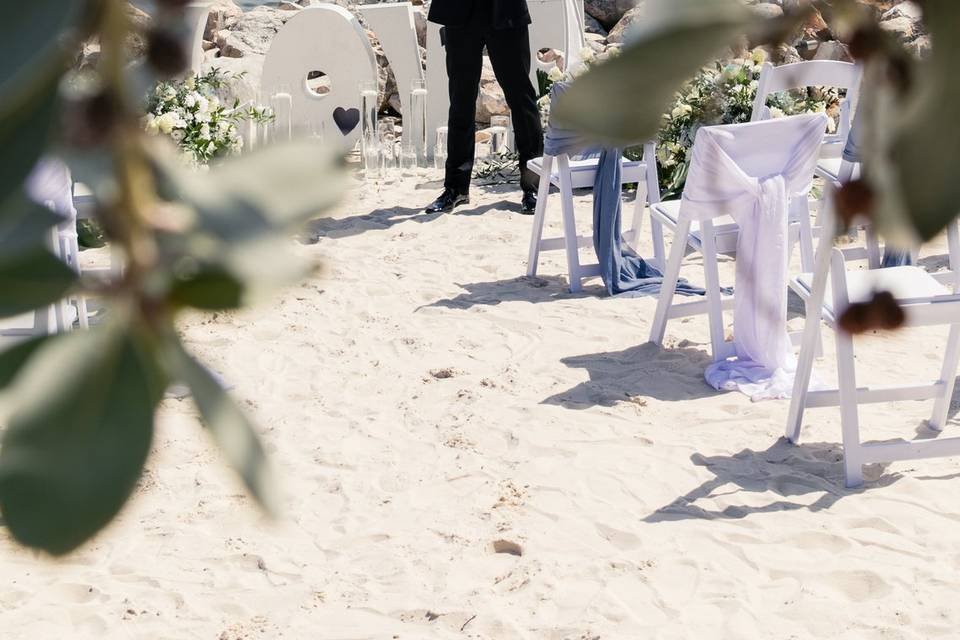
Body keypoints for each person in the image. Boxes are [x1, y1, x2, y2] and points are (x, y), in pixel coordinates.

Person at [424, 0, 544, 215]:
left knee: (521, 98)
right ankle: (456, 189)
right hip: (460, 13)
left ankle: (533, 187)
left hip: (506, 9)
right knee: (460, 101)